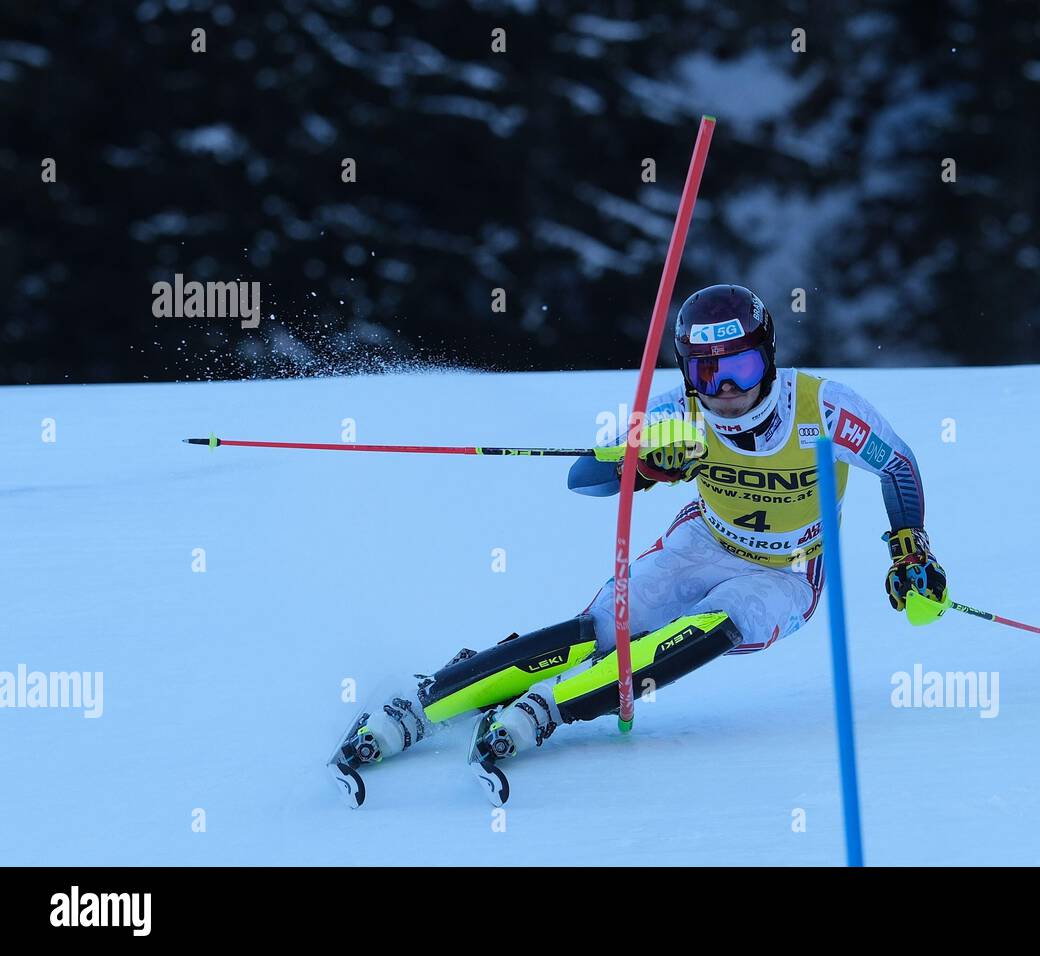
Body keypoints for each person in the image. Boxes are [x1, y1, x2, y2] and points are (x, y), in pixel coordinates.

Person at [331, 284, 947, 804]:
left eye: (742, 368)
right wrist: (648, 464)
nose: (726, 389)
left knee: (725, 622)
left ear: (769, 357)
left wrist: (909, 549)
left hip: (787, 571)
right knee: (603, 628)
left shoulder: (823, 409)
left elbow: (897, 465)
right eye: (709, 373)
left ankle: (547, 711)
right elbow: (585, 478)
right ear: (687, 371)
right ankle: (428, 700)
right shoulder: (679, 411)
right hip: (704, 542)